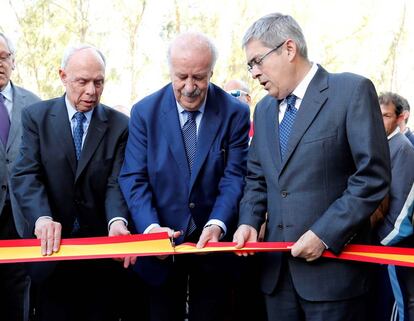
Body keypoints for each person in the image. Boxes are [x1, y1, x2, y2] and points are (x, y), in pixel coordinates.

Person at [233, 13, 390, 321]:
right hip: (277, 280)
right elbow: (256, 179)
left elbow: (372, 177)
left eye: (257, 61)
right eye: (250, 65)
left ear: (288, 49)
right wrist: (249, 222)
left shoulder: (350, 92)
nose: (253, 73)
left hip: (334, 279)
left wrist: (324, 233)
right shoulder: (263, 109)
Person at [119, 32, 250, 321]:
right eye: (182, 77)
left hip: (213, 246)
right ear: (170, 71)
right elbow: (133, 178)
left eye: (199, 78)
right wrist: (151, 230)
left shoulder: (235, 113)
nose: (190, 87)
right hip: (161, 246)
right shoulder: (144, 112)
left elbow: (235, 176)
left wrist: (217, 224)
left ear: (211, 73)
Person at [11, 44, 133, 321]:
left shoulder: (120, 126)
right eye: (83, 81)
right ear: (63, 76)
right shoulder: (36, 118)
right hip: (51, 252)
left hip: (100, 255)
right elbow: (27, 174)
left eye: (98, 82)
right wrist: (41, 218)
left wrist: (117, 222)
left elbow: (117, 182)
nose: (92, 91)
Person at [0, 32, 40, 321]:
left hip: (20, 216)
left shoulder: (35, 105)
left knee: (18, 289)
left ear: (13, 61)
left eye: (3, 57)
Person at [377, 92, 414, 321]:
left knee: (395, 308)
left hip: (391, 250)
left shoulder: (403, 149)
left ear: (400, 118)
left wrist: (377, 242)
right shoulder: (377, 146)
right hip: (374, 251)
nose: (378, 120)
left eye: (385, 115)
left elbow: (402, 217)